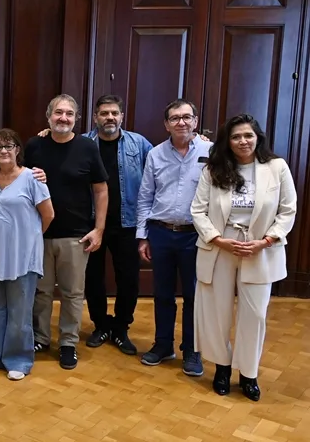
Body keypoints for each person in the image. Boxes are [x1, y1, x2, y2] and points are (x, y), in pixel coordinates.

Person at [191, 114, 297, 401]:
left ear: (257, 137)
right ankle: (222, 369)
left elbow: (288, 210)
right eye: (236, 136)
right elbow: (198, 211)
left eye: (248, 135)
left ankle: (249, 373)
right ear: (228, 141)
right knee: (216, 312)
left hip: (260, 250)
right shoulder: (213, 170)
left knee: (255, 315)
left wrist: (266, 241)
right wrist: (219, 240)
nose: (243, 141)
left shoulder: (276, 167)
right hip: (220, 247)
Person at [25, 94, 108, 371]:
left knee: (73, 293)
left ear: (76, 118)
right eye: (58, 113)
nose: (63, 118)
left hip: (77, 235)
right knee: (42, 292)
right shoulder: (34, 145)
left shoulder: (87, 147)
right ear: (48, 117)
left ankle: (69, 343)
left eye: (69, 114)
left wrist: (99, 229)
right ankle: (41, 338)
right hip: (39, 233)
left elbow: (101, 189)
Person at [136, 99, 212, 377]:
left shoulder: (210, 152)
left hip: (196, 235)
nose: (181, 122)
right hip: (161, 233)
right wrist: (143, 236)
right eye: (175, 118)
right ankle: (163, 345)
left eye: (186, 117)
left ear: (194, 120)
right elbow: (145, 197)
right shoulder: (155, 154)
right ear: (166, 124)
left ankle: (192, 350)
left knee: (195, 295)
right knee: (163, 293)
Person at [0, 129, 54, 380]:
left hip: (23, 255)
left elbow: (48, 214)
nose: (4, 151)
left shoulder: (32, 177)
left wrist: (29, 238)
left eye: (9, 146)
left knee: (20, 310)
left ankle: (18, 359)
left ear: (18, 150)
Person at [80, 95, 154, 355]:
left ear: (121, 116)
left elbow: (160, 171)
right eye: (104, 113)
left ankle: (121, 328)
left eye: (114, 113)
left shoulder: (139, 144)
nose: (109, 118)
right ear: (95, 117)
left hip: (128, 223)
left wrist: (199, 140)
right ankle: (100, 325)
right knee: (93, 279)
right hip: (90, 223)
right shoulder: (82, 144)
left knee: (129, 280)